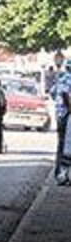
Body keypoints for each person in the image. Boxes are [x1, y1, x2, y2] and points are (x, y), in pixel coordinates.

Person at [50, 51, 71, 184]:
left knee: (61, 144)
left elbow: (53, 93)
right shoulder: (69, 78)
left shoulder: (61, 78)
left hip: (59, 114)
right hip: (67, 114)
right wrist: (69, 108)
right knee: (67, 145)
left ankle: (59, 173)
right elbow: (65, 94)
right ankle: (63, 174)